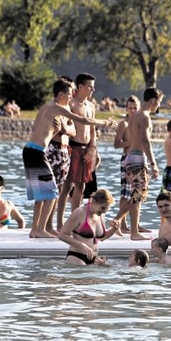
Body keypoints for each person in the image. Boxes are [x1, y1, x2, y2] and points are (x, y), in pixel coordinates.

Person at [22, 79, 115, 239]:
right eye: (70, 92)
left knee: (41, 195)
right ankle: (40, 230)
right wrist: (104, 122)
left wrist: (59, 129)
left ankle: (35, 229)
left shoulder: (46, 107)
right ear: (60, 94)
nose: (72, 95)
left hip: (30, 150)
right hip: (37, 152)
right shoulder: (56, 108)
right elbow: (83, 120)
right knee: (51, 194)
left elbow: (51, 128)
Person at [115, 87, 164, 241]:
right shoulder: (144, 117)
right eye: (159, 102)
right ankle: (134, 233)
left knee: (136, 195)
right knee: (137, 195)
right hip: (137, 157)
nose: (158, 106)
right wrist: (153, 163)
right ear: (153, 100)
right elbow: (145, 141)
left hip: (130, 157)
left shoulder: (135, 115)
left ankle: (116, 222)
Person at [58, 73, 100, 230]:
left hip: (86, 149)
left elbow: (92, 128)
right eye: (90, 87)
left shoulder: (91, 106)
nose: (92, 90)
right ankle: (60, 222)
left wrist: (92, 147)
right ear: (81, 87)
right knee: (67, 187)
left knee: (81, 188)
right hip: (73, 147)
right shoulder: (72, 105)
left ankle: (75, 221)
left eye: (93, 87)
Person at [113, 96, 148, 234]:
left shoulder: (141, 122)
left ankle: (136, 224)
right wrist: (131, 142)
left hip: (140, 159)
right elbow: (116, 144)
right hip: (127, 159)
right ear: (126, 109)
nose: (133, 110)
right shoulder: (124, 124)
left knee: (139, 194)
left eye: (135, 108)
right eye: (130, 108)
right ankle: (122, 224)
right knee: (126, 193)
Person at [46, 76, 77, 234]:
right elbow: (52, 131)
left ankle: (51, 225)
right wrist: (64, 128)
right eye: (70, 93)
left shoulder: (67, 110)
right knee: (50, 189)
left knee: (58, 189)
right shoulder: (52, 108)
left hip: (65, 150)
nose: (72, 96)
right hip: (54, 149)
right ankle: (47, 225)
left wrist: (65, 128)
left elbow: (72, 131)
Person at [58, 189, 121, 266]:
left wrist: (114, 229)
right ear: (94, 202)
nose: (105, 211)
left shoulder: (100, 215)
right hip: (77, 257)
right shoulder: (79, 213)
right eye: (103, 208)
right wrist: (81, 245)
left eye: (107, 208)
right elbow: (62, 235)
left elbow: (101, 238)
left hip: (94, 258)